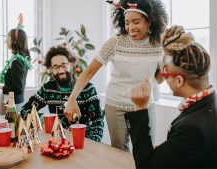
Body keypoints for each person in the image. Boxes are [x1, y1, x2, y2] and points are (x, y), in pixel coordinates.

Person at [64, 0, 168, 151]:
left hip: (144, 107)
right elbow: (88, 73)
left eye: (136, 22)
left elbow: (158, 80)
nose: (131, 27)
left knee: (146, 151)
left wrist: (167, 63)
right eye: (127, 22)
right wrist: (72, 99)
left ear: (150, 21)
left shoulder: (159, 44)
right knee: (120, 152)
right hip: (116, 106)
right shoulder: (115, 42)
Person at [125, 25, 217, 168]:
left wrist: (140, 108)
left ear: (179, 80)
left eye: (166, 72)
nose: (163, 76)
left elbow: (146, 166)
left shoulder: (192, 128)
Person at [20, 45, 104, 142]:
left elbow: (98, 121)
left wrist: (94, 143)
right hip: (58, 142)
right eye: (55, 67)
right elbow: (24, 110)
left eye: (64, 65)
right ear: (51, 69)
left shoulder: (88, 89)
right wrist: (45, 118)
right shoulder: (47, 89)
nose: (60, 70)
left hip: (84, 141)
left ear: (71, 64)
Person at [0, 14, 32, 114]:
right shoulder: (17, 60)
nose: (6, 40)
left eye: (8, 38)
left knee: (10, 127)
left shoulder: (17, 62)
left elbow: (17, 89)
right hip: (11, 101)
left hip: (13, 104)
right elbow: (13, 80)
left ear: (15, 41)